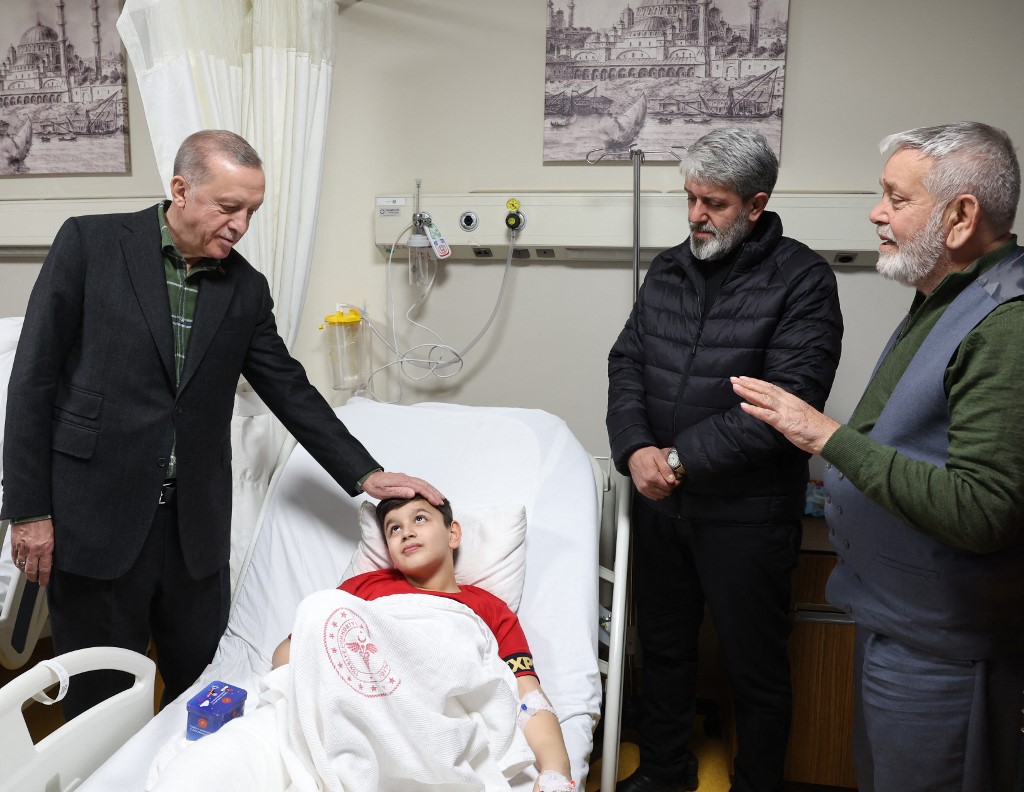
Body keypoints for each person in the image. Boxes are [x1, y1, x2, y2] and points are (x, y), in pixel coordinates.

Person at [1, 129, 442, 720]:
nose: (240, 226)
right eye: (229, 207)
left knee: (204, 690)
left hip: (194, 530)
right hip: (97, 515)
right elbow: (32, 379)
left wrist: (365, 474)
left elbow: (288, 387)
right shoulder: (90, 245)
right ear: (181, 190)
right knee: (98, 704)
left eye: (251, 212)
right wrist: (29, 510)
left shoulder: (246, 289)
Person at [731, 121, 1024, 792]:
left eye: (897, 197)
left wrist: (824, 437)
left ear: (960, 216)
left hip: (945, 654)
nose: (876, 212)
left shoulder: (1006, 323)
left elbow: (984, 510)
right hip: (900, 624)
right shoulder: (948, 297)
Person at [606, 127, 843, 792]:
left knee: (755, 670)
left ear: (756, 204)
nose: (695, 215)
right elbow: (626, 363)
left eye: (713, 203)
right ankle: (663, 772)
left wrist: (676, 459)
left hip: (747, 514)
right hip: (661, 506)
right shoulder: (668, 269)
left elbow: (786, 407)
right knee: (663, 651)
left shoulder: (802, 281)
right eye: (690, 198)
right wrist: (636, 449)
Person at [271, 495, 575, 792]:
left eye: (419, 519)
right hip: (362, 709)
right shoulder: (361, 588)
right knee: (319, 603)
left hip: (439, 720)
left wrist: (556, 770)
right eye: (394, 528)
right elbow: (297, 648)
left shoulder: (491, 608)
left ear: (452, 534)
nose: (407, 532)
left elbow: (528, 695)